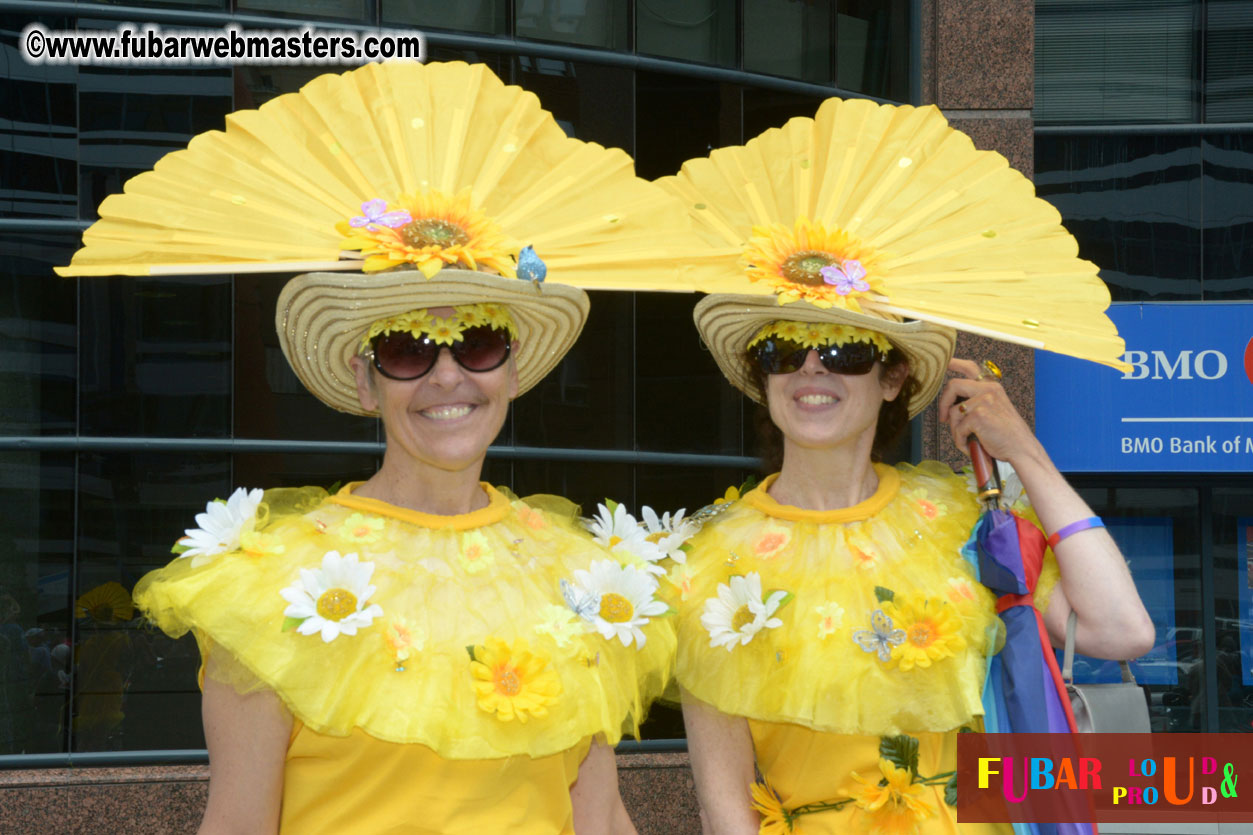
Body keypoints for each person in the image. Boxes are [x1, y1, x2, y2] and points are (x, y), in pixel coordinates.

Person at [59, 60, 709, 834]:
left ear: (510, 372)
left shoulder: (580, 577)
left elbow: (599, 814)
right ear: (366, 384)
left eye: (476, 342)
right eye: (406, 348)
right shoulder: (274, 585)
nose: (446, 375)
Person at [658, 97, 1157, 834]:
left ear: (892, 378)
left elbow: (1121, 631)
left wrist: (1024, 453)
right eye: (781, 350)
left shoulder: (963, 522)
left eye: (846, 351)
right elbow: (723, 799)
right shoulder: (705, 560)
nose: (810, 371)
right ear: (759, 376)